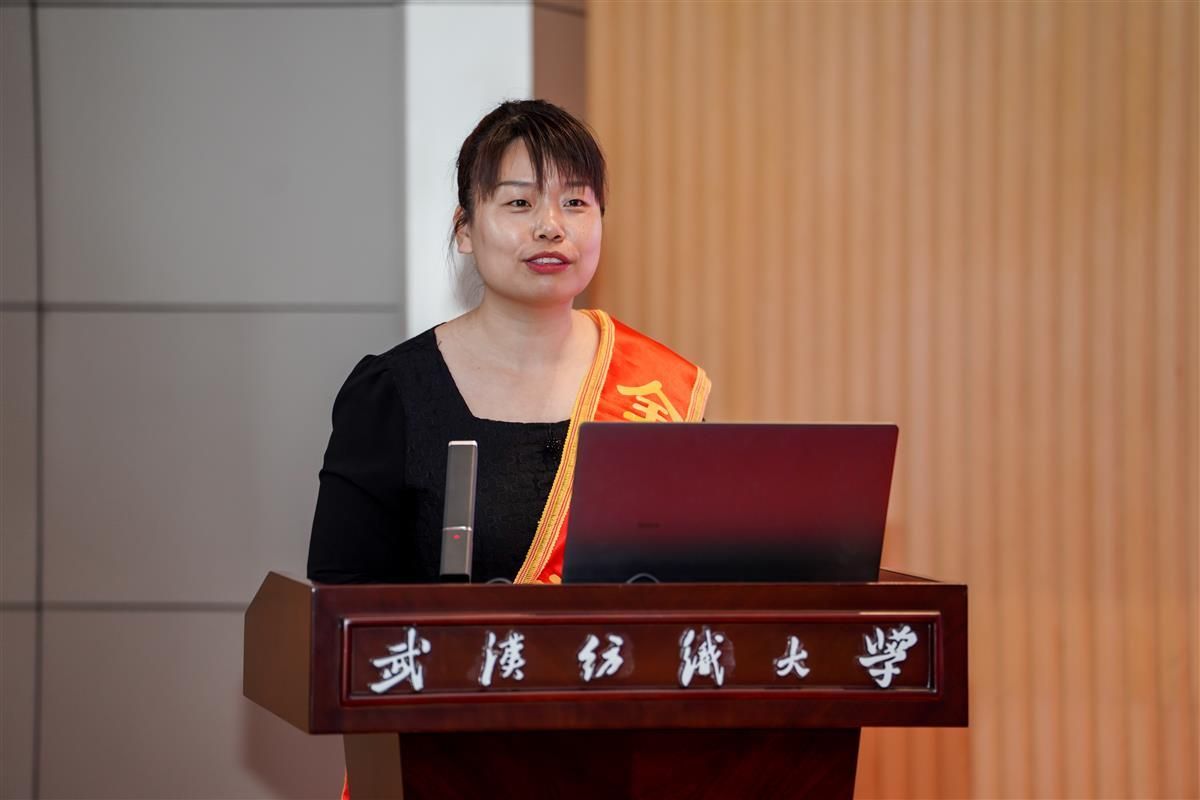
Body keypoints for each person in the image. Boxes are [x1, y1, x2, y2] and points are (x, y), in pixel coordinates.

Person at [307, 99, 710, 588]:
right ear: (464, 229)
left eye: (575, 203)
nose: (550, 226)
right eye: (520, 203)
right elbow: (342, 603)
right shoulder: (392, 394)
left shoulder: (654, 390)